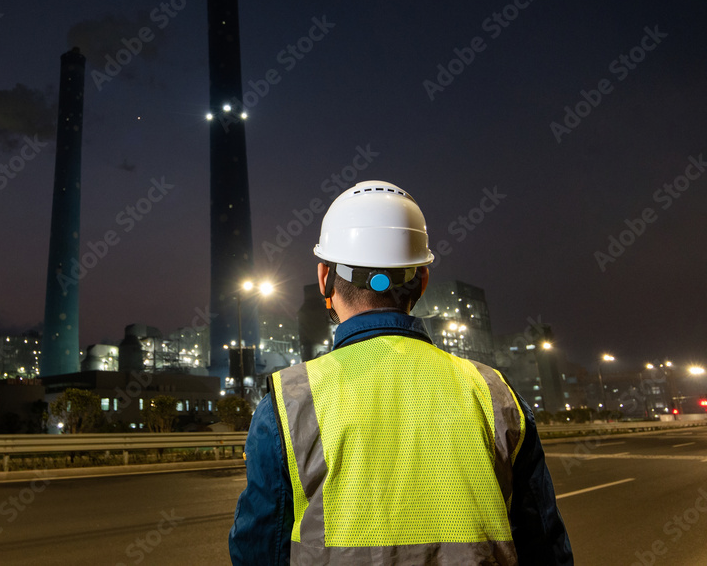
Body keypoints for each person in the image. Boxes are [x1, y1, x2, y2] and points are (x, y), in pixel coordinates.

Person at [229, 180, 573, 565]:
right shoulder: (494, 392)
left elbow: (257, 550)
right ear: (422, 281)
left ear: (324, 277)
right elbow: (544, 544)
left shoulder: (288, 400)